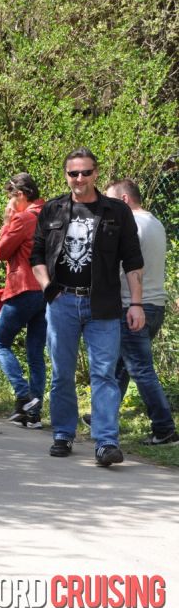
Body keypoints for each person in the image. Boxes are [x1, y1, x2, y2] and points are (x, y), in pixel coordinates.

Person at [30, 147, 144, 466]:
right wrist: (46, 288)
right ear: (66, 175)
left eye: (86, 172)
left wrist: (136, 303)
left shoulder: (116, 213)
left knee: (104, 374)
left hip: (103, 304)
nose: (79, 179)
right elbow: (36, 255)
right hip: (62, 301)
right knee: (62, 374)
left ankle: (106, 442)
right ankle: (63, 433)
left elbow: (133, 260)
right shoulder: (52, 210)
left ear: (96, 173)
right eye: (73, 173)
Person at [103, 179, 176, 445]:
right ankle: (104, 414)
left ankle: (164, 427)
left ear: (123, 200)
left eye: (110, 201)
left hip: (134, 306)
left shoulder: (131, 224)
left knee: (141, 369)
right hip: (155, 305)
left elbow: (122, 266)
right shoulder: (154, 222)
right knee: (122, 366)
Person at [0, 173, 46, 429]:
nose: (10, 202)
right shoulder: (52, 214)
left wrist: (7, 220)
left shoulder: (24, 218)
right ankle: (34, 414)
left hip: (24, 287)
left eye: (11, 197)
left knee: (0, 343)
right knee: (35, 351)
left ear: (21, 195)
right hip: (47, 290)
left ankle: (23, 395)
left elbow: (2, 251)